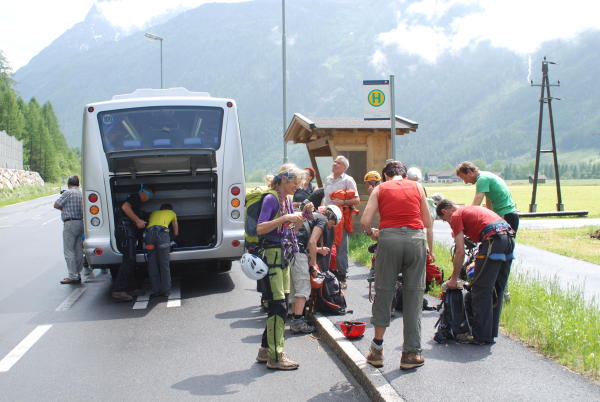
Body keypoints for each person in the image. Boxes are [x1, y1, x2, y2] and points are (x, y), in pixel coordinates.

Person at [360, 161, 434, 370]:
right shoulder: (417, 186)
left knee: (384, 291)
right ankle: (411, 353)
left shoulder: (381, 188)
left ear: (385, 176)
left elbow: (365, 221)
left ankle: (377, 350)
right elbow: (428, 221)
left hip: (389, 239)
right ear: (404, 175)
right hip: (415, 240)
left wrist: (372, 233)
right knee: (414, 295)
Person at [436, 199, 515, 345]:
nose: (448, 223)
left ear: (445, 211)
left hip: (493, 240)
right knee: (496, 288)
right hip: (508, 238)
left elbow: (460, 252)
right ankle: (490, 332)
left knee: (480, 289)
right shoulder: (469, 210)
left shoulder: (455, 216)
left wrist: (454, 279)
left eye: (445, 220)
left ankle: (481, 336)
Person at [255, 164, 305, 370]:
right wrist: (285, 218)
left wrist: (302, 217)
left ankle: (264, 350)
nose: (297, 186)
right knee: (279, 306)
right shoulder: (271, 199)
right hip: (273, 256)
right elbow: (260, 228)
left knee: (281, 303)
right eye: (295, 182)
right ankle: (276, 357)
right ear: (285, 179)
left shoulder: (288, 200)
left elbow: (291, 229)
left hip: (283, 256)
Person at [289, 204, 341, 334]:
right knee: (303, 288)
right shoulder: (322, 220)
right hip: (298, 252)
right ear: (331, 217)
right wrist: (312, 266)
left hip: (288, 250)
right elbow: (312, 242)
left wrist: (316, 250)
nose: (330, 227)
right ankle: (297, 322)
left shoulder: (313, 216)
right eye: (333, 223)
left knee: (295, 288)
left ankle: (296, 318)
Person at [323, 155, 360, 288]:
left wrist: (343, 202)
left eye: (338, 163)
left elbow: (357, 200)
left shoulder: (348, 180)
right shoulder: (328, 179)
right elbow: (325, 198)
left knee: (340, 248)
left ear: (344, 167)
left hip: (340, 218)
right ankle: (328, 274)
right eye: (334, 162)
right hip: (326, 216)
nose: (334, 164)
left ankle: (342, 276)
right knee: (327, 244)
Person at [112, 185, 154, 302]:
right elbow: (125, 207)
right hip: (126, 230)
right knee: (129, 260)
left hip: (127, 230)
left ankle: (130, 288)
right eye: (150, 196)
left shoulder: (136, 202)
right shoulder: (136, 197)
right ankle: (118, 290)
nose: (149, 199)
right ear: (144, 193)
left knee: (131, 260)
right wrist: (138, 221)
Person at [455, 161, 519, 233]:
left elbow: (475, 206)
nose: (466, 182)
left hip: (506, 215)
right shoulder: (485, 175)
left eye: (464, 178)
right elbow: (488, 200)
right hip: (509, 214)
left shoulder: (482, 179)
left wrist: (464, 218)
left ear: (469, 172)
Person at [54, 175, 84, 284]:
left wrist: (64, 208)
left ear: (68, 184)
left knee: (69, 250)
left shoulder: (68, 193)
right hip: (80, 222)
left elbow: (56, 205)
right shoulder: (81, 193)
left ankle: (72, 276)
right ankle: (78, 273)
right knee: (78, 249)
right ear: (78, 184)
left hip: (70, 223)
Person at [144, 203, 179, 297]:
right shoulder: (172, 213)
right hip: (162, 235)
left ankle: (156, 290)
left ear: (161, 209)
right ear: (170, 209)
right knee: (164, 264)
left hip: (149, 235)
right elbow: (176, 231)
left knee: (152, 264)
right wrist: (172, 238)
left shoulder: (154, 213)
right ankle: (166, 291)